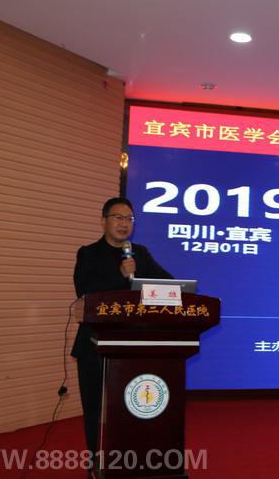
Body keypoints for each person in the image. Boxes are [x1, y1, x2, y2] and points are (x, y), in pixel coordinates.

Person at [72, 197, 173, 459]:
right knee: (94, 409)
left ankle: (130, 458)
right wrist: (120, 273)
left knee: (132, 406)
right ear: (103, 221)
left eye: (129, 218)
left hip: (133, 345)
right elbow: (85, 290)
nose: (124, 223)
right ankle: (95, 460)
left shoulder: (141, 253)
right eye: (118, 217)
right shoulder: (88, 253)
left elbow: (169, 283)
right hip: (93, 345)